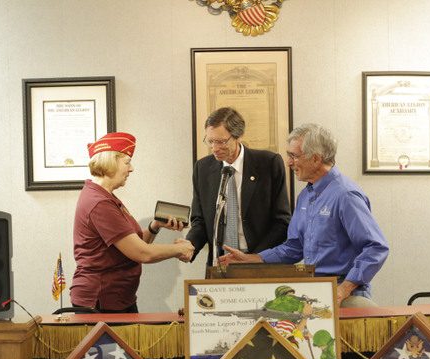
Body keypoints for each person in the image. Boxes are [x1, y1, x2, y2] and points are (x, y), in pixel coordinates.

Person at [220, 123, 389, 308]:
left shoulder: (345, 195)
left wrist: (345, 287)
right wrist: (252, 259)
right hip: (315, 290)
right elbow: (294, 247)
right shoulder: (305, 196)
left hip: (344, 294)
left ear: (316, 159)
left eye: (294, 156)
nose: (289, 162)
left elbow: (376, 248)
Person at [71, 132, 195, 313]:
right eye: (127, 162)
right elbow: (142, 253)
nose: (131, 169)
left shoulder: (104, 196)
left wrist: (155, 226)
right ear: (111, 162)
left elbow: (134, 244)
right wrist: (180, 249)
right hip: (101, 301)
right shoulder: (100, 203)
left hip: (118, 298)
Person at [185, 107, 291, 267]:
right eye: (210, 141)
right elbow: (200, 221)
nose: (214, 148)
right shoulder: (203, 168)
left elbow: (282, 221)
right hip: (220, 264)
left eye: (221, 142)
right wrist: (189, 246)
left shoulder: (268, 164)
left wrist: (253, 258)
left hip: (260, 262)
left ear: (238, 136)